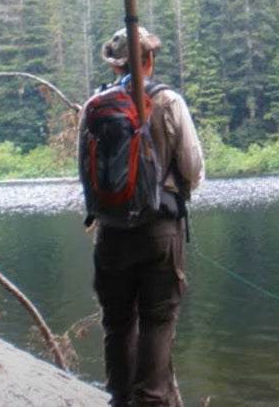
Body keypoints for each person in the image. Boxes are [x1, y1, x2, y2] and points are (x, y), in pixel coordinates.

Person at [78, 26, 204, 407]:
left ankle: (119, 399)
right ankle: (151, 402)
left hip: (111, 233)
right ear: (149, 59)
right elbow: (193, 169)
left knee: (117, 322)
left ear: (115, 65)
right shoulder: (168, 101)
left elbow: (85, 173)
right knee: (158, 319)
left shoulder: (93, 107)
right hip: (160, 230)